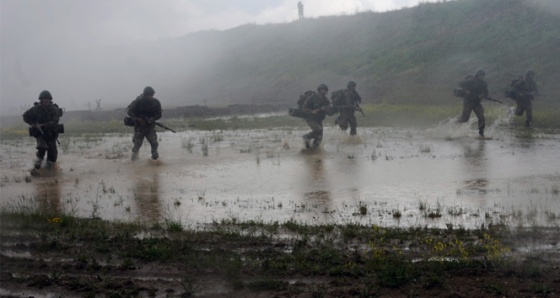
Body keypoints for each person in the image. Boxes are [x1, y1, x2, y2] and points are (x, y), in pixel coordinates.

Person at [23, 90, 61, 169]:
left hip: (51, 133)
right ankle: (39, 162)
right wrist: (32, 124)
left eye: (47, 98)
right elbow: (25, 116)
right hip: (40, 133)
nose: (46, 100)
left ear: (50, 99)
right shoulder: (35, 109)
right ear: (41, 99)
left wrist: (43, 125)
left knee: (53, 153)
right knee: (42, 147)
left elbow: (55, 121)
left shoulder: (54, 109)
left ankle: (50, 170)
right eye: (44, 98)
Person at [127, 86, 162, 161]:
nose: (150, 97)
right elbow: (129, 111)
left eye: (151, 95)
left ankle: (154, 159)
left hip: (150, 126)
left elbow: (159, 114)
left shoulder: (156, 102)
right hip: (140, 126)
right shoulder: (139, 101)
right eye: (148, 95)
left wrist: (152, 119)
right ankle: (133, 161)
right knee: (137, 144)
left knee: (154, 142)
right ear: (145, 95)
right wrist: (137, 119)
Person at [457, 69, 489, 137]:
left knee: (481, 117)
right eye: (481, 76)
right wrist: (466, 91)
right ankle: (454, 124)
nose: (482, 77)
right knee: (465, 119)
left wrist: (482, 95)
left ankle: (481, 132)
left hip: (477, 102)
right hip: (468, 101)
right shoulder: (471, 80)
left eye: (483, 76)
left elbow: (486, 92)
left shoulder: (483, 83)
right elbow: (460, 83)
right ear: (477, 75)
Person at [301, 84, 331, 149]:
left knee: (320, 136)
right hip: (310, 118)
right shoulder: (311, 98)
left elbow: (329, 107)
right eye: (323, 90)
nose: (324, 91)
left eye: (325, 90)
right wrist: (312, 111)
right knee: (318, 130)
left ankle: (314, 148)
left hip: (319, 119)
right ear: (319, 90)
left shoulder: (325, 99)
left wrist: (325, 108)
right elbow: (304, 108)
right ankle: (306, 137)